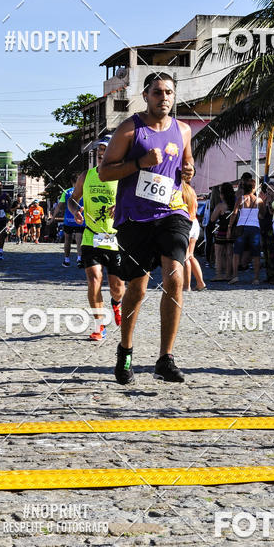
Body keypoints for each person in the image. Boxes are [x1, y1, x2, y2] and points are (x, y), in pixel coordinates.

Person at [99, 72, 194, 385]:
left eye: (168, 92)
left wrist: (189, 170)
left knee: (175, 277)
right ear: (146, 96)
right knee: (137, 290)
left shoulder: (183, 129)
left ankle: (166, 358)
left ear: (174, 96)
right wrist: (138, 163)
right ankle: (125, 349)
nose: (163, 98)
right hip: (135, 218)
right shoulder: (130, 128)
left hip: (172, 211)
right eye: (157, 92)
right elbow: (104, 172)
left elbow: (186, 166)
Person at [69, 136, 124, 342]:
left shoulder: (124, 177)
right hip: (91, 235)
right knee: (93, 280)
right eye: (99, 151)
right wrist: (75, 211)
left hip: (115, 238)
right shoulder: (87, 175)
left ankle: (117, 304)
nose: (101, 153)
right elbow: (73, 199)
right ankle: (99, 326)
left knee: (117, 288)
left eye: (106, 149)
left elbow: (136, 201)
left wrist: (121, 206)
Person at [228, 177, 261, 284]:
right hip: (254, 227)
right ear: (253, 188)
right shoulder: (259, 200)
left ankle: (235, 276)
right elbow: (263, 214)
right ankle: (256, 278)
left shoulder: (240, 199)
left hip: (241, 227)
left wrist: (229, 227)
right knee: (256, 254)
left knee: (237, 253)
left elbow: (234, 213)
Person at [54, 173, 85, 267]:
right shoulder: (84, 191)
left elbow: (59, 206)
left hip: (68, 220)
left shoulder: (67, 192)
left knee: (67, 240)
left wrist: (52, 218)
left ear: (71, 181)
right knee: (79, 240)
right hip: (81, 220)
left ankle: (66, 260)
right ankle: (79, 259)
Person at [182, 181, 206, 292]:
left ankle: (186, 286)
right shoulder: (192, 191)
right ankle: (200, 282)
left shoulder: (180, 190)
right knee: (191, 255)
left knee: (185, 256)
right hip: (195, 222)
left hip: (186, 222)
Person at [210, 182, 236, 281]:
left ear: (222, 194)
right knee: (230, 253)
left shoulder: (220, 206)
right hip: (232, 230)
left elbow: (212, 219)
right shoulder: (234, 204)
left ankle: (219, 274)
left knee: (219, 253)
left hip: (221, 231)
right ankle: (229, 274)